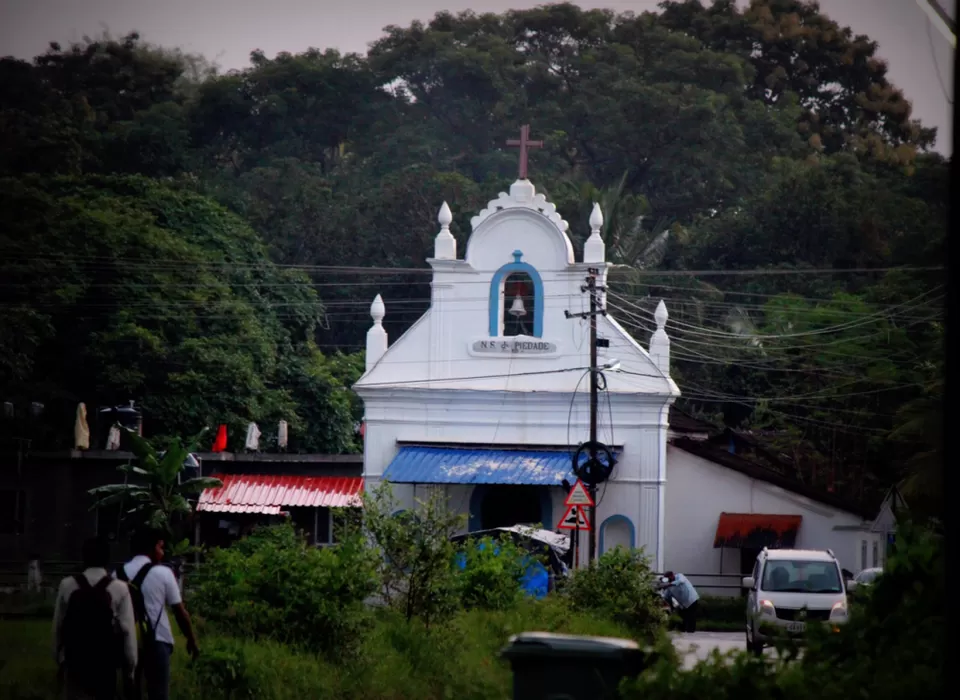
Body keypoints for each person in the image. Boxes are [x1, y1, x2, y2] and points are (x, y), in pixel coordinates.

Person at [118, 529, 199, 700]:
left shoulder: (117, 574)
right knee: (159, 693)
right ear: (151, 548)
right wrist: (191, 639)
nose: (162, 552)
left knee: (130, 692)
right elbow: (180, 613)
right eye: (160, 547)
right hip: (157, 640)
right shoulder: (163, 573)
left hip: (126, 641)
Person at [53, 537, 137, 699]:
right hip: (106, 665)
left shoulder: (67, 585)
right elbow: (128, 632)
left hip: (75, 661)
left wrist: (60, 659)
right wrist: (130, 671)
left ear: (83, 557)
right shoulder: (120, 588)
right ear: (107, 558)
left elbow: (58, 626)